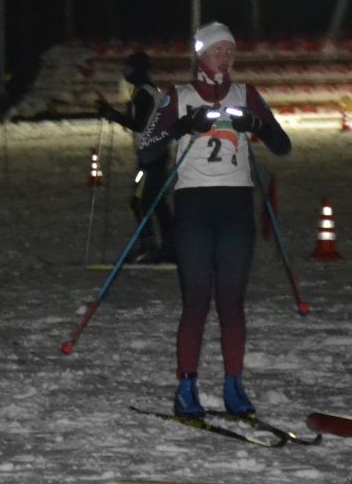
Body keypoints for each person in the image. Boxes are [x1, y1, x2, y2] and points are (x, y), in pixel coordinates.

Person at [137, 22, 290, 417]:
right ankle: (186, 386)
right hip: (194, 208)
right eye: (217, 50)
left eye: (229, 50)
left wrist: (256, 125)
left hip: (236, 206)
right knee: (196, 300)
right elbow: (147, 151)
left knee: (232, 302)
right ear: (200, 55)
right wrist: (183, 125)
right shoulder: (180, 95)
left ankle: (233, 385)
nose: (225, 57)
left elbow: (282, 145)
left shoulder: (246, 94)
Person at [98, 51, 173, 263]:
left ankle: (150, 244)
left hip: (151, 157)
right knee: (155, 201)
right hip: (155, 154)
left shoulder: (143, 94)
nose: (125, 72)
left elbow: (138, 123)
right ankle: (168, 245)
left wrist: (113, 115)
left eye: (129, 68)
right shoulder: (150, 91)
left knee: (140, 199)